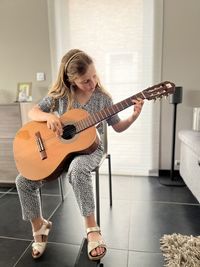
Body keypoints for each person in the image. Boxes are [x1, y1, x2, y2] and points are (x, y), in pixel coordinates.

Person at [15, 48, 144, 261]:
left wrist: (133, 116)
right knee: (23, 181)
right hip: (61, 153)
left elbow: (118, 126)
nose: (92, 83)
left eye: (94, 76)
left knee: (77, 169)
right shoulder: (61, 95)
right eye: (85, 80)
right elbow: (33, 111)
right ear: (72, 80)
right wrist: (48, 117)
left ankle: (92, 229)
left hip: (90, 150)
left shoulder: (103, 99)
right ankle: (39, 226)